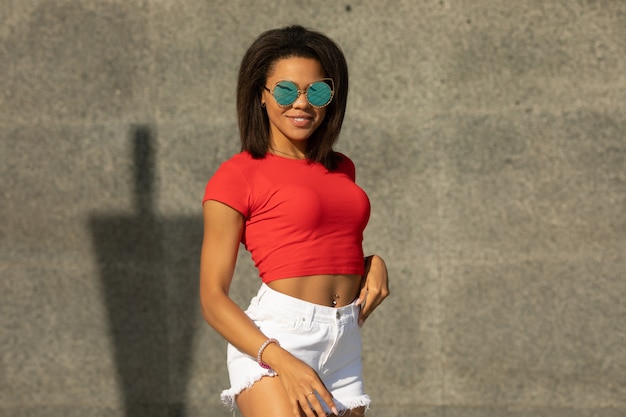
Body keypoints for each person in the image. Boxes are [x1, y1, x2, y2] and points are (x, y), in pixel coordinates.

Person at [199, 25, 389, 417]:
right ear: (261, 97)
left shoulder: (341, 168)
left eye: (317, 91)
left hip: (344, 338)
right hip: (277, 338)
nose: (302, 103)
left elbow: (326, 245)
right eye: (286, 91)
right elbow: (212, 298)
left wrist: (373, 262)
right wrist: (281, 360)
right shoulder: (237, 175)